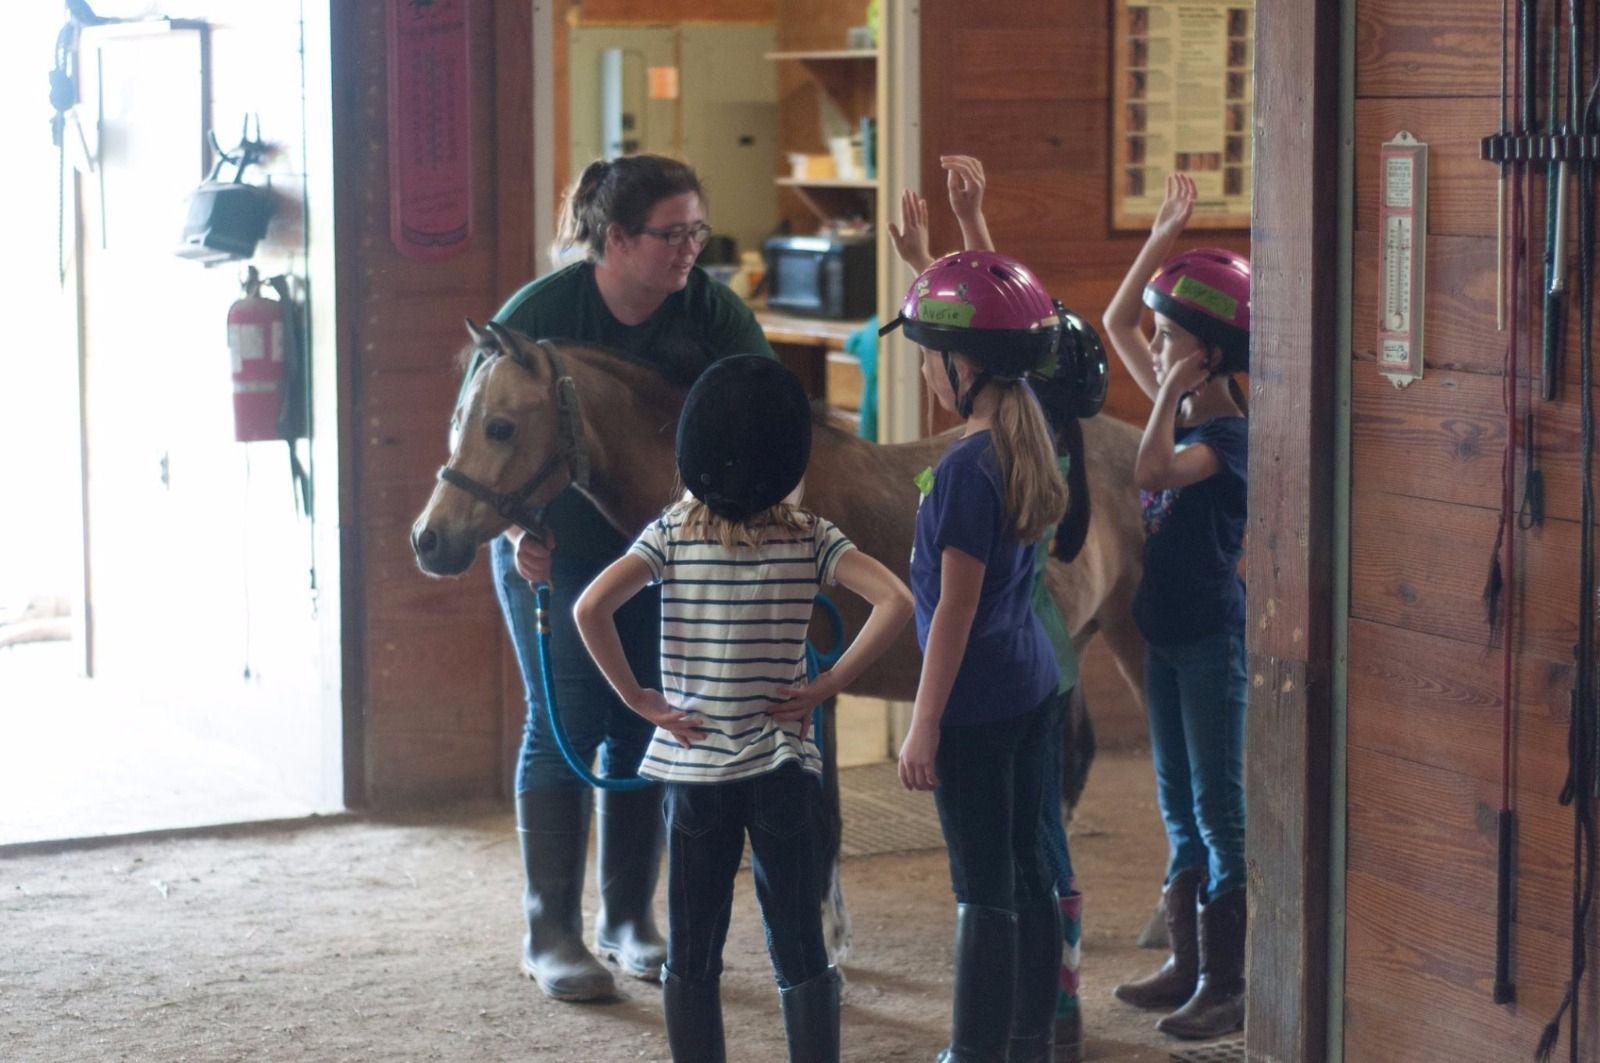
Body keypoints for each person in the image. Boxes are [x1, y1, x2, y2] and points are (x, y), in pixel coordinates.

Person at [470, 154, 776, 1002]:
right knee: (566, 721)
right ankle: (550, 931)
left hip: (667, 558)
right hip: (555, 551)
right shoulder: (538, 315)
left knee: (650, 720)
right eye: (670, 234)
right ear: (614, 239)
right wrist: (514, 529)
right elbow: (477, 435)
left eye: (697, 232)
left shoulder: (712, 313)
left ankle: (629, 918)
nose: (689, 249)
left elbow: (767, 419)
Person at [572, 355, 913, 1063]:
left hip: (695, 768)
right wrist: (827, 683)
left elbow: (589, 607)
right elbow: (897, 601)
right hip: (782, 767)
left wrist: (637, 696)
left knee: (694, 949)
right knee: (799, 944)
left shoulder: (671, 533)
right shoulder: (811, 535)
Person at [888, 155, 1089, 1063]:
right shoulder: (1028, 425)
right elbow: (1007, 320)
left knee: (982, 887)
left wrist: (922, 723)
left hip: (973, 701)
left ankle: (975, 1052)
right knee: (1030, 868)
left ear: (959, 366)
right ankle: (1030, 1039)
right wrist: (944, 248)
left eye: (929, 356)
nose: (926, 372)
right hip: (1033, 681)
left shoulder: (966, 469)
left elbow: (954, 613)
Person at [1102, 173, 1249, 1040]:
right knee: (1176, 804)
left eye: (1172, 342)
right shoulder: (1183, 408)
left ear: (1210, 357)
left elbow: (1153, 469)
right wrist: (1160, 239)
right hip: (1164, 637)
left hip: (1210, 643)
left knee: (1218, 811)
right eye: (1160, 343)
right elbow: (1118, 320)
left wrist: (1166, 393)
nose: (1154, 350)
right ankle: (1188, 963)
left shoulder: (1225, 437)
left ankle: (1227, 983)